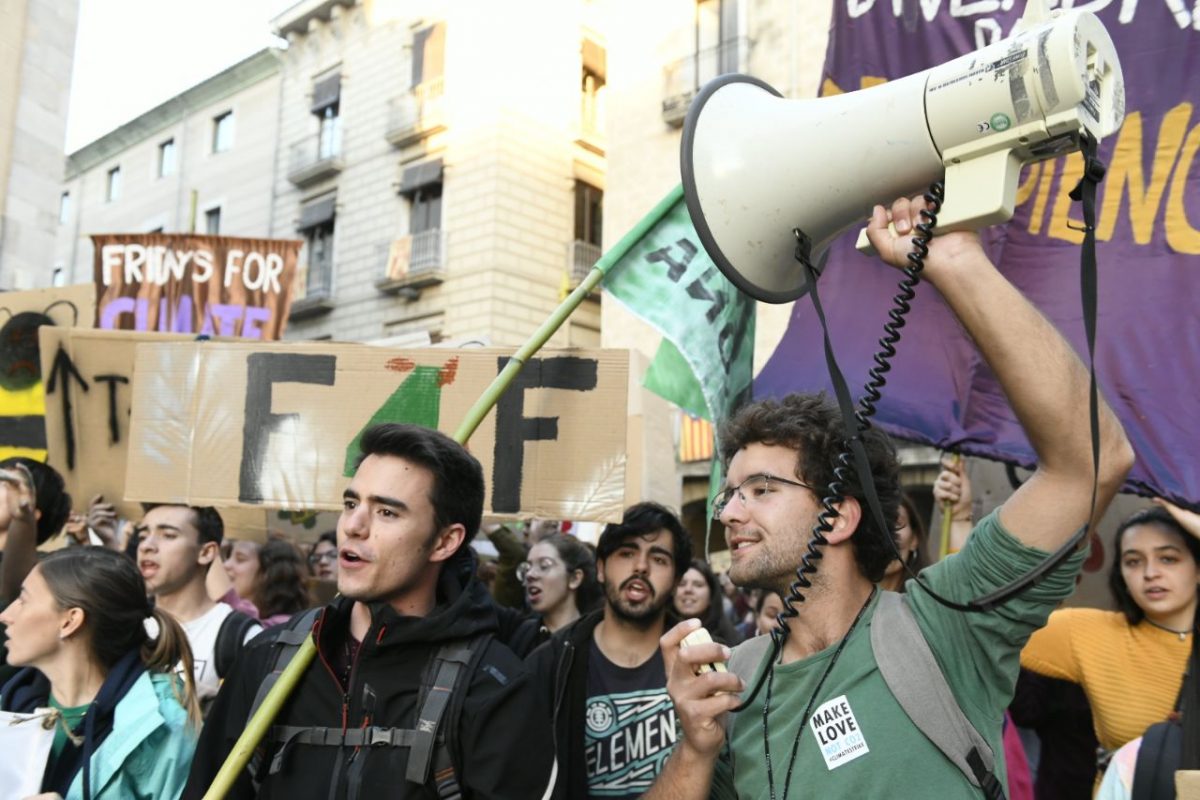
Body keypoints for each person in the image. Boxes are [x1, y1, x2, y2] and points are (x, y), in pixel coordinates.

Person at [646, 193, 1134, 799]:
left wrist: (955, 261)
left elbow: (1091, 465)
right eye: (729, 495)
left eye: (761, 489)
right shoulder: (733, 681)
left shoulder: (947, 625)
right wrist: (696, 749)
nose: (729, 513)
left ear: (839, 516)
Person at [183, 423, 554, 798]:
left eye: (387, 512)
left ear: (444, 541)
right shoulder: (268, 660)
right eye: (350, 504)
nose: (354, 526)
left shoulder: (493, 689)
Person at [0, 547, 199, 799]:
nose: (5, 615)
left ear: (70, 621)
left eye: (23, 599)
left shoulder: (160, 723)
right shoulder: (11, 701)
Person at [526, 501, 693, 800]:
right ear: (601, 569)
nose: (641, 567)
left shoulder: (702, 660)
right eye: (627, 553)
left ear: (676, 581)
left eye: (658, 558)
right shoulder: (550, 664)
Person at [1020, 503, 1199, 767]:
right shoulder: (1088, 633)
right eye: (1133, 561)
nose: (1150, 573)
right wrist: (960, 523)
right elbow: (983, 618)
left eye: (1168, 558)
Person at [136, 504, 262, 706]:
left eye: (168, 535)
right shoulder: (125, 625)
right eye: (143, 536)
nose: (146, 546)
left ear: (206, 552)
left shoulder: (240, 635)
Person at [507, 530, 600, 656]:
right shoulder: (522, 632)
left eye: (544, 565)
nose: (530, 574)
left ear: (574, 579)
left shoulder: (595, 642)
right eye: (528, 567)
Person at [223, 539, 311, 627]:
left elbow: (252, 629)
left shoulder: (285, 624)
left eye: (240, 559)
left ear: (266, 573)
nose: (226, 565)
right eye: (228, 557)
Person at [674, 559, 740, 645]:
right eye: (682, 584)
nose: (688, 589)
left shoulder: (729, 643)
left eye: (698, 585)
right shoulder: (660, 635)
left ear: (711, 594)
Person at [878, 493, 928, 592]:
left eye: (897, 524)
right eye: (876, 524)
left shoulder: (928, 596)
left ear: (914, 539)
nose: (887, 534)